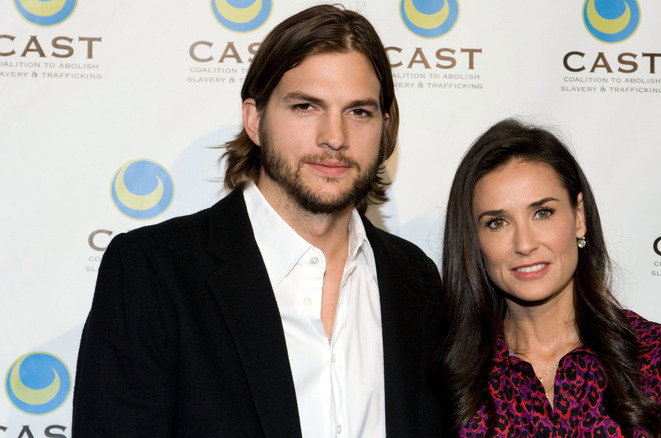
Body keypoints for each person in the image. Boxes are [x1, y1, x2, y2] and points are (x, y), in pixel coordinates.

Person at [72, 5, 445, 437]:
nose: (335, 137)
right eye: (306, 107)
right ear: (254, 119)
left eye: (358, 112)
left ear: (385, 127)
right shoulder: (155, 272)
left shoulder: (414, 278)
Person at [441, 118, 661, 437]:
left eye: (542, 213)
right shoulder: (449, 377)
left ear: (580, 217)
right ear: (473, 239)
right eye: (497, 222)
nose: (525, 244)